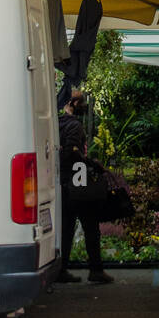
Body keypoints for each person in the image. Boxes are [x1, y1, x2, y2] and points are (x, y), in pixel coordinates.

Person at [57, 92, 114, 285]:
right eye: (81, 103)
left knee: (65, 228)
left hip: (63, 183)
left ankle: (61, 269)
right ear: (72, 103)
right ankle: (96, 270)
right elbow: (72, 153)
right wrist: (92, 163)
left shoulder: (58, 123)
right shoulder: (74, 125)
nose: (84, 106)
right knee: (91, 226)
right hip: (78, 183)